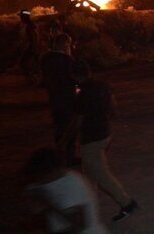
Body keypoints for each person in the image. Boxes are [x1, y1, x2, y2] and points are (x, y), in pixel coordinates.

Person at [58, 60, 138, 223]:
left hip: (91, 138)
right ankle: (90, 207)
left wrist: (64, 140)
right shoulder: (103, 86)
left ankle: (127, 203)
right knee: (91, 173)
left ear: (74, 76)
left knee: (101, 175)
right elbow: (113, 107)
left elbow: (77, 121)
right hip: (104, 133)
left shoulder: (83, 94)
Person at [23, 148, 107, 233]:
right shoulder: (48, 183)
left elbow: (80, 225)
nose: (39, 180)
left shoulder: (72, 185)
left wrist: (49, 204)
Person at [40, 33, 77, 167]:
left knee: (59, 127)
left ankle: (60, 157)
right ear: (65, 44)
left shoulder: (45, 58)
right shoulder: (67, 60)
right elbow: (74, 79)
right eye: (69, 44)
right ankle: (68, 158)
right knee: (70, 128)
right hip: (68, 99)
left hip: (54, 99)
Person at [18, 9, 40, 85]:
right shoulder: (32, 25)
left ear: (25, 17)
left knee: (26, 64)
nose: (20, 18)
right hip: (33, 48)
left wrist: (31, 49)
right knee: (29, 64)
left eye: (21, 17)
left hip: (31, 49)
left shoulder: (30, 26)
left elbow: (33, 39)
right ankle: (31, 80)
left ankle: (32, 81)